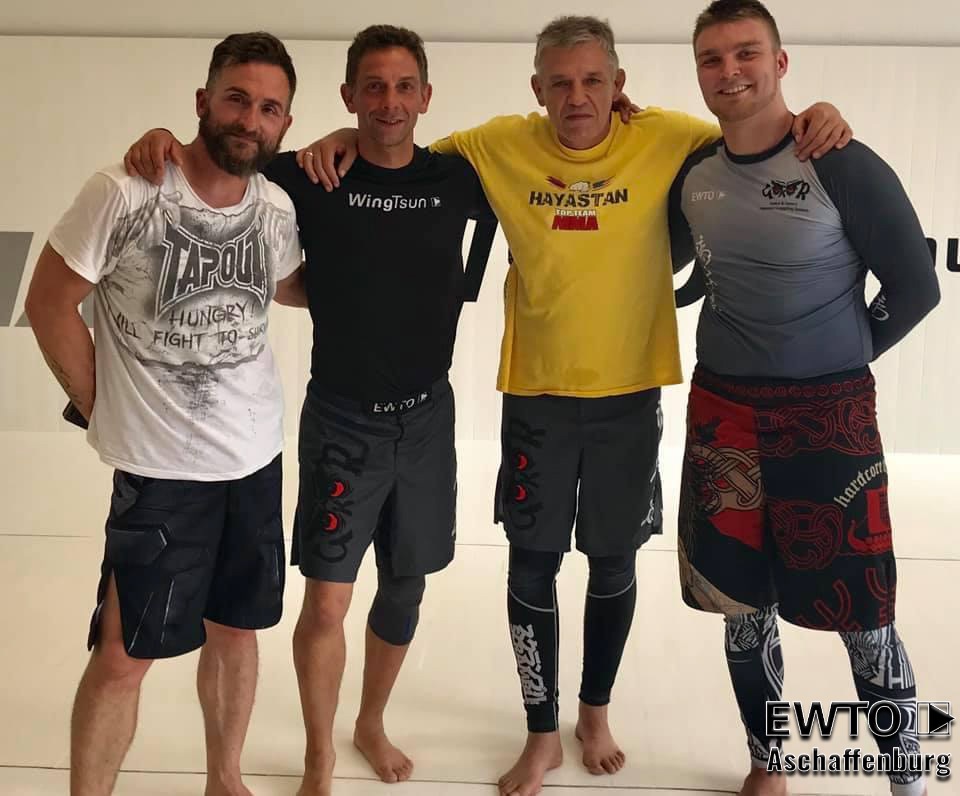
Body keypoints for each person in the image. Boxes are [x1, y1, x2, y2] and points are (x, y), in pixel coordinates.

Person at [294, 16, 852, 796]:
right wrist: (339, 136)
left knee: (613, 565)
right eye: (560, 82)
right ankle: (539, 734)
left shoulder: (670, 137)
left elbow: (752, 129)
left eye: (594, 80)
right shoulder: (496, 145)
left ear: (619, 85)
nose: (577, 96)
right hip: (538, 398)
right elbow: (396, 149)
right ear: (537, 89)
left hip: (629, 398)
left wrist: (817, 115)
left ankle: (594, 713)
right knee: (532, 567)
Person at [120, 25, 497, 796]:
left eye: (404, 87)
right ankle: (319, 754)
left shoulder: (460, 177)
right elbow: (221, 156)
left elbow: (550, 159)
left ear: (427, 96)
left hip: (429, 419)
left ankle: (370, 723)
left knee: (406, 585)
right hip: (344, 421)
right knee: (327, 602)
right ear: (348, 95)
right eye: (373, 87)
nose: (389, 102)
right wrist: (160, 140)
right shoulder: (306, 174)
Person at [668, 2, 940, 795]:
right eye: (712, 58)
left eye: (746, 53)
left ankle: (909, 781)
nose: (730, 71)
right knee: (741, 608)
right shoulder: (693, 174)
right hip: (723, 413)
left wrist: (841, 357)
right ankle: (768, 764)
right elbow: (676, 270)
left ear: (780, 62)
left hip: (829, 420)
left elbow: (917, 288)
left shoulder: (840, 160)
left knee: (867, 618)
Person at [24, 32, 305, 796]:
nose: (250, 119)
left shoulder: (275, 207)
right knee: (124, 655)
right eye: (237, 98)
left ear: (284, 124)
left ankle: (225, 779)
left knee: (237, 629)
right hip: (162, 472)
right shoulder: (127, 190)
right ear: (203, 101)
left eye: (270, 108)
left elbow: (286, 284)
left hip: (254, 458)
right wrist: (100, 407)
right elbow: (48, 302)